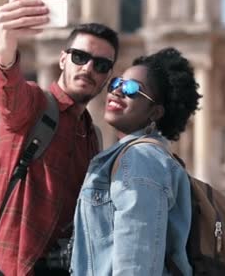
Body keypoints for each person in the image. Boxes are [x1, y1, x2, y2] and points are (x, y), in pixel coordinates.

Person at [0, 0, 120, 276]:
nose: (88, 68)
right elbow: (9, 90)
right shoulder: (33, 106)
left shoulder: (90, 134)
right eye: (80, 57)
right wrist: (6, 44)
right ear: (63, 59)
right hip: (18, 265)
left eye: (100, 65)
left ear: (108, 76)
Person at [70, 47, 202, 276]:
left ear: (155, 112)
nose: (118, 91)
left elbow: (136, 265)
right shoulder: (141, 156)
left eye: (132, 89)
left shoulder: (140, 160)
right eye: (116, 83)